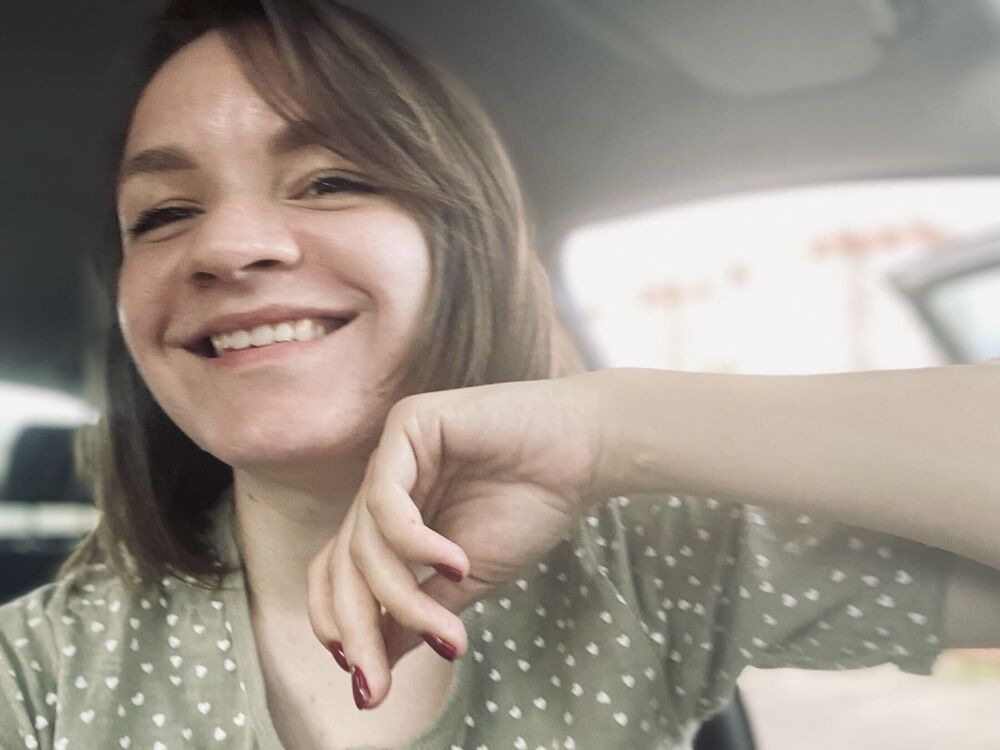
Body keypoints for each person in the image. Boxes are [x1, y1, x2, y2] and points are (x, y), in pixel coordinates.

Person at [1, 0, 998, 748]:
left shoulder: (649, 563)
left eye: (332, 180)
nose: (228, 246)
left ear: (464, 245)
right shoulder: (39, 672)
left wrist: (615, 427)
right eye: (164, 214)